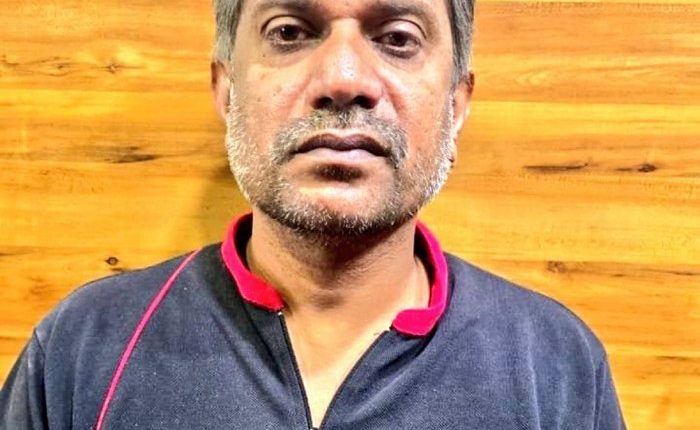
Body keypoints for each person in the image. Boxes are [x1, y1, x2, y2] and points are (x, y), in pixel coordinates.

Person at [1, 0, 626, 428]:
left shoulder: (556, 364)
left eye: (398, 37)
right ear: (226, 89)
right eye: (289, 32)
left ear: (456, 104)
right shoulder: (83, 347)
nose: (344, 79)